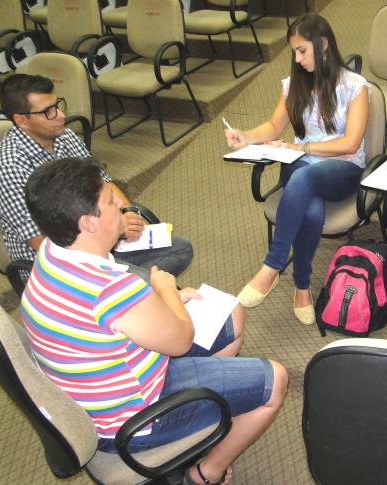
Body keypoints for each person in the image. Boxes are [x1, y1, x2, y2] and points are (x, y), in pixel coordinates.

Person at [21, 157, 288, 485]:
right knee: (275, 380)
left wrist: (162, 300)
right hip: (133, 423)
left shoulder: (50, 252)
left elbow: (118, 314)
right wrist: (167, 292)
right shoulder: (110, 289)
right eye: (110, 201)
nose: (120, 202)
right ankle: (205, 474)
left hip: (103, 391)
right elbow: (182, 340)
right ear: (89, 222)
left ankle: (204, 429)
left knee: (229, 313)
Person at [225, 13, 369, 326]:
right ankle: (302, 286)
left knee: (305, 177)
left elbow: (351, 142)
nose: (297, 58)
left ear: (324, 45)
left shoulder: (355, 86)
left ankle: (272, 266)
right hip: (300, 165)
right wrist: (245, 137)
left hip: (341, 168)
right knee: (312, 210)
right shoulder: (293, 85)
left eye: (302, 50)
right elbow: (275, 125)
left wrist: (301, 147)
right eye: (294, 51)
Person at [0, 74, 193, 278]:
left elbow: (103, 182)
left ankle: (132, 293)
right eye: (48, 111)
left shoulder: (64, 136)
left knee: (181, 248)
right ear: (21, 120)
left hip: (99, 236)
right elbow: (40, 240)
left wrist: (128, 213)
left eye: (57, 105)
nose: (61, 115)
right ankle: (133, 292)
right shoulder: (8, 167)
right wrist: (115, 228)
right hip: (62, 264)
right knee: (145, 285)